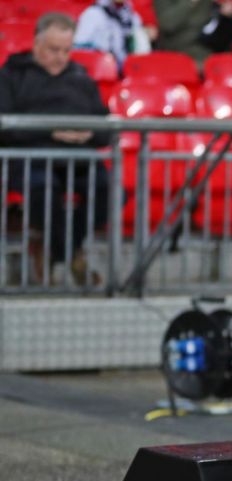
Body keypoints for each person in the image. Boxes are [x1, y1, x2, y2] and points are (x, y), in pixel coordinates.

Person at [0, 13, 111, 286]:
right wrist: (51, 132)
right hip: (32, 158)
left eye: (66, 50)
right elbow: (5, 126)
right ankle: (72, 254)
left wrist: (88, 134)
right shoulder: (12, 75)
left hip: (79, 157)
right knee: (43, 191)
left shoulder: (81, 77)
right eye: (53, 50)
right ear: (36, 44)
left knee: (109, 191)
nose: (60, 57)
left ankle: (55, 250)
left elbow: (105, 127)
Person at [153, 0, 232, 68]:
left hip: (213, 52)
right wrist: (189, 3)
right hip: (180, 53)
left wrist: (229, 16)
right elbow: (167, 24)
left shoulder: (210, 4)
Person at [74, 0, 155, 69]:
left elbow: (140, 50)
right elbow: (79, 50)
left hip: (127, 72)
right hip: (101, 75)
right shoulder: (93, 14)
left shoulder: (132, 16)